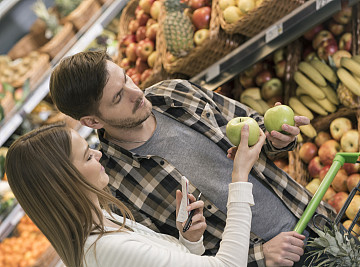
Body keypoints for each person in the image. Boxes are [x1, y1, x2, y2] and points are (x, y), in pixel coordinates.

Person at [49, 50, 336, 266]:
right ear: (92, 121)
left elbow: (253, 127)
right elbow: (179, 256)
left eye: (126, 78)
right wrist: (261, 255)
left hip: (311, 218)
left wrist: (277, 138)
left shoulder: (176, 93)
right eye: (117, 98)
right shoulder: (113, 185)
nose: (136, 92)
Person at [5, 122, 265, 267]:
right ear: (65, 184)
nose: (98, 154)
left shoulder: (103, 221)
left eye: (91, 148)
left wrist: (188, 242)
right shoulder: (105, 248)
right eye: (87, 156)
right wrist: (240, 176)